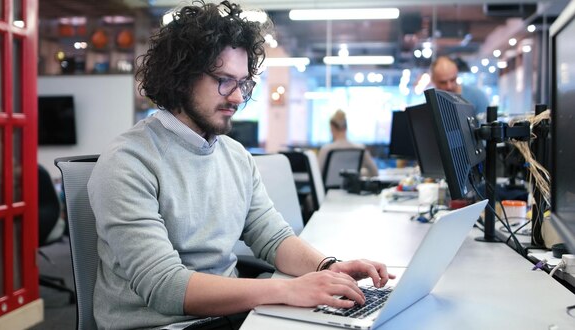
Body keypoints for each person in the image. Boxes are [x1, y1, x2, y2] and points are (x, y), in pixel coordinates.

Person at [87, 1, 394, 329]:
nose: (236, 97)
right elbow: (165, 287)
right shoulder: (128, 161)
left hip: (228, 316)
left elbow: (272, 237)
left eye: (244, 83)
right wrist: (288, 290)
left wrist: (327, 267)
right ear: (181, 77)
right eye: (223, 80)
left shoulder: (235, 156)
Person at [317, 109, 379, 178]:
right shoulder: (360, 148)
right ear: (346, 127)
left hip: (329, 189)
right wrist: (357, 172)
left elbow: (317, 175)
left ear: (332, 128)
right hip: (351, 188)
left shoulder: (326, 149)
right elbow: (375, 172)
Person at [430, 55, 490, 121]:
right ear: (433, 80)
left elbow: (487, 127)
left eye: (452, 79)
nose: (449, 86)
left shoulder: (478, 96)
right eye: (443, 82)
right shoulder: (431, 105)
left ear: (457, 74)